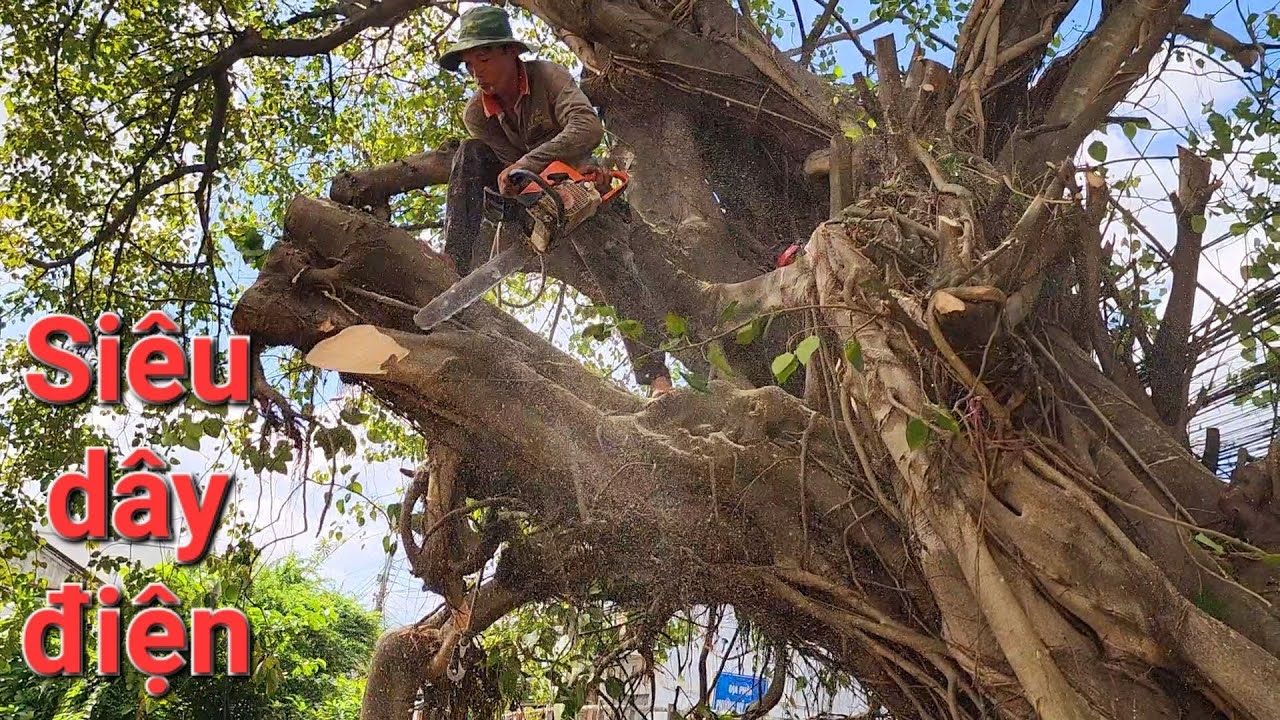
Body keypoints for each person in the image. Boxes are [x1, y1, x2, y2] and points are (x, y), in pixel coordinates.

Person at [439, 6, 674, 397]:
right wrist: (517, 186)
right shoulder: (478, 114)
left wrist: (529, 166)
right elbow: (502, 169)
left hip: (579, 188)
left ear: (510, 53)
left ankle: (656, 376)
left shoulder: (547, 77)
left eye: (482, 59)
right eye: (468, 64)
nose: (476, 72)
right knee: (470, 154)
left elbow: (587, 127)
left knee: (612, 264)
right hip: (528, 200)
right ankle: (454, 260)